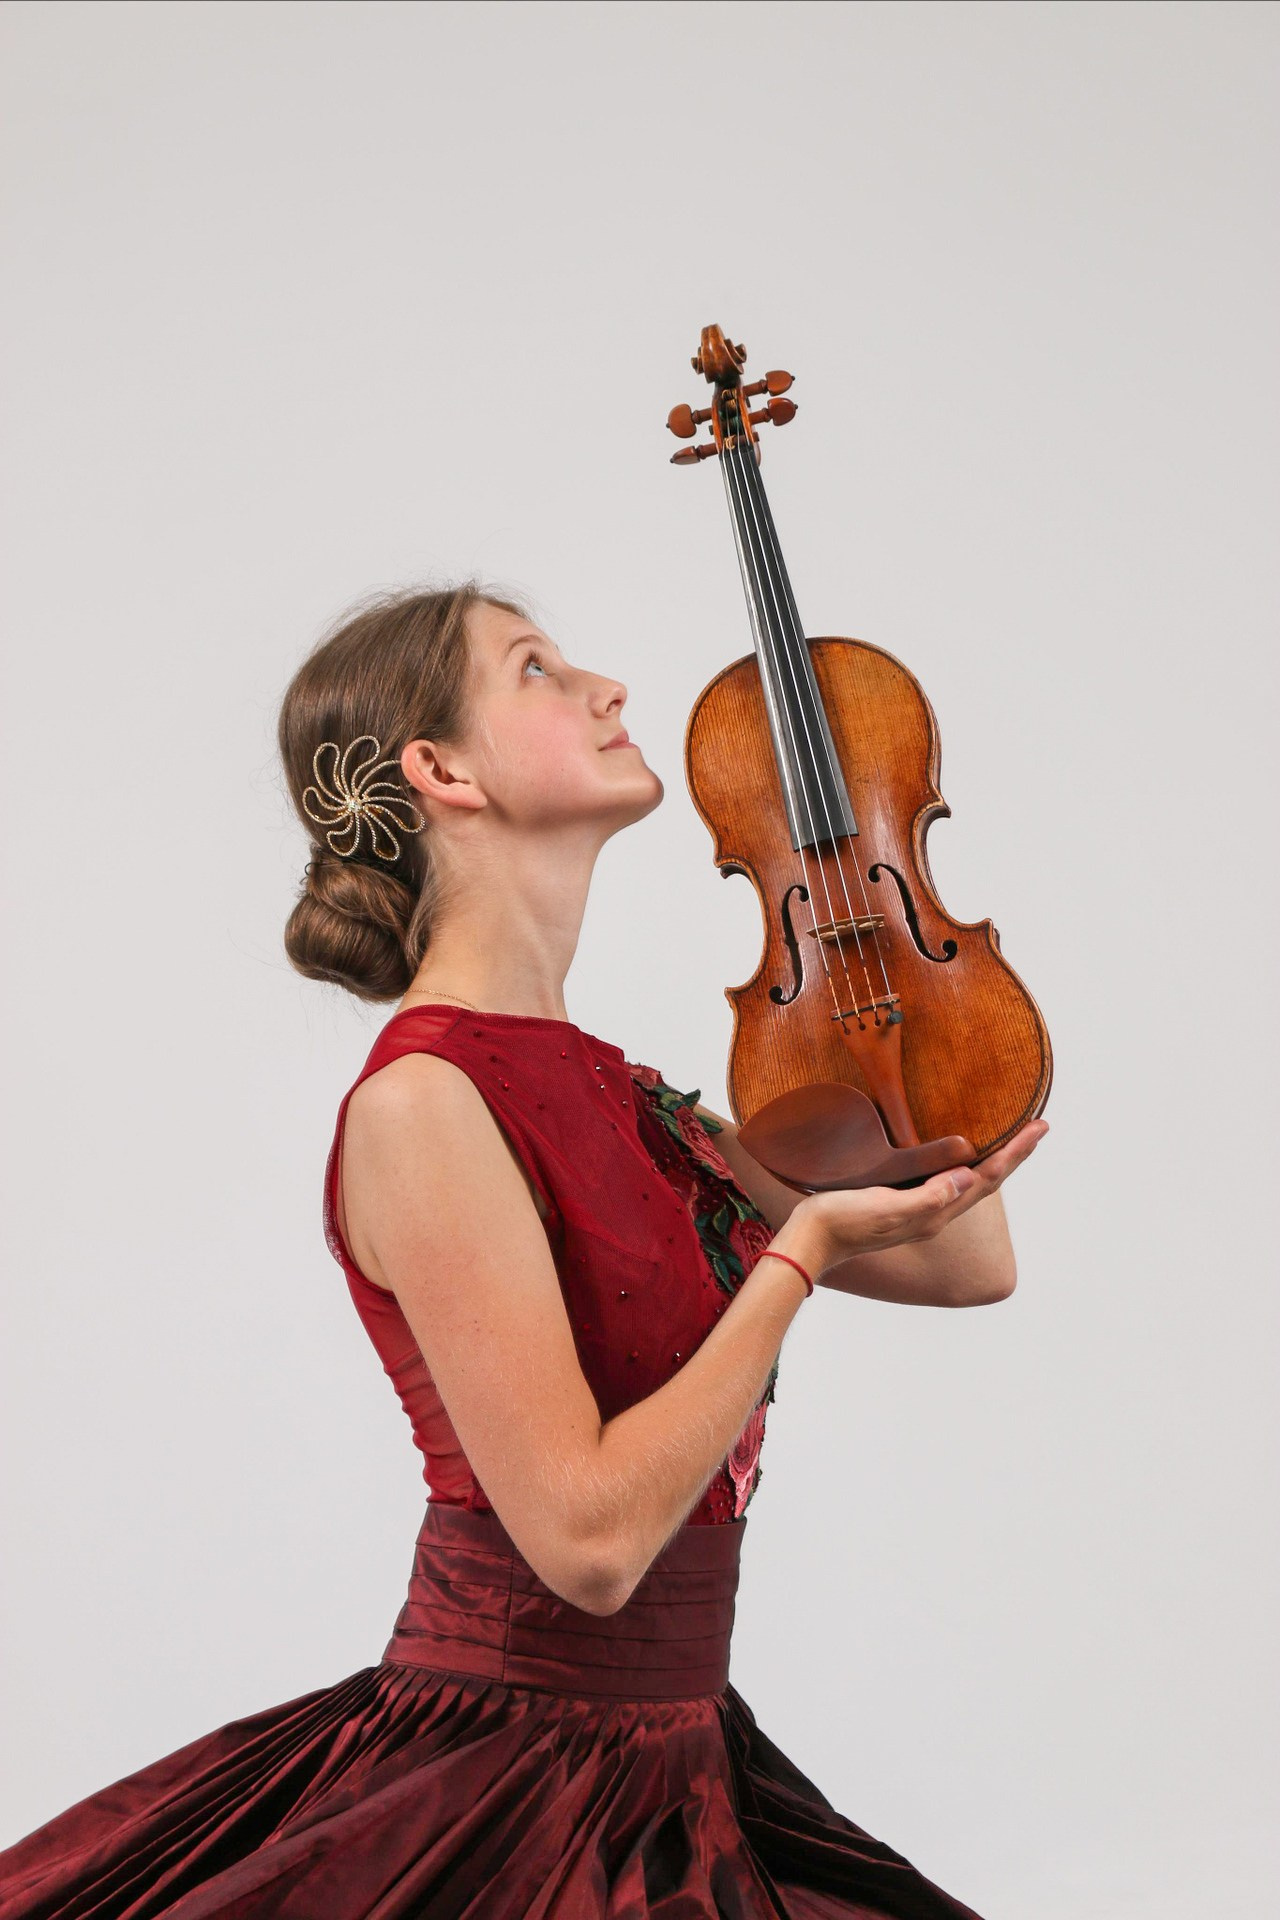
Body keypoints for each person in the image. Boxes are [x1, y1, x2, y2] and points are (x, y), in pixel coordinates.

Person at [0, 582, 1045, 1919]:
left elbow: (966, 1263)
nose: (609, 687)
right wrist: (799, 1260)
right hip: (515, 1790)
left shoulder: (632, 1096)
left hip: (681, 1772)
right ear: (440, 772)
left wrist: (890, 966)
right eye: (538, 670)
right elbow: (589, 1543)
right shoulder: (425, 1103)